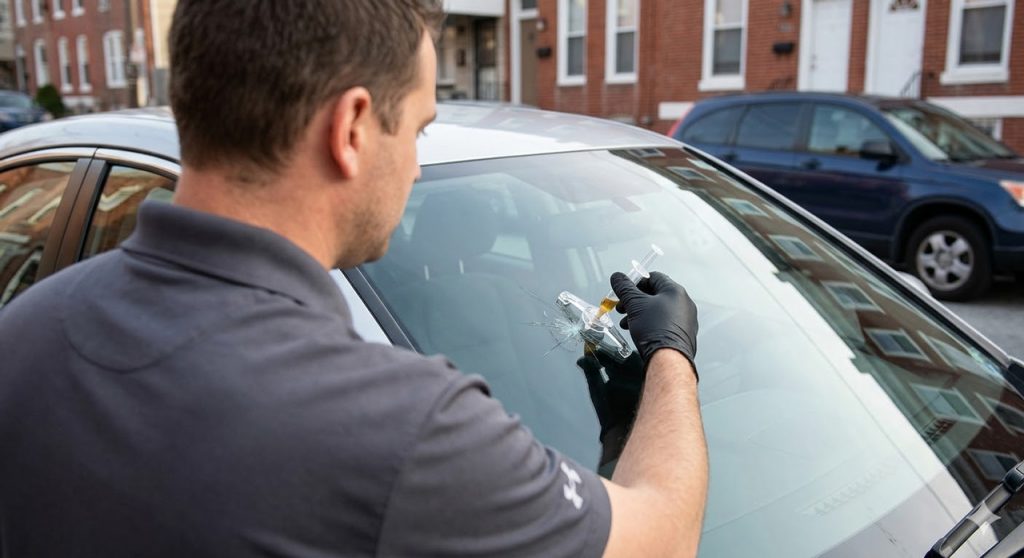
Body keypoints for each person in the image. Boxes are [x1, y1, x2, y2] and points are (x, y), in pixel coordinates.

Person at [0, 1, 707, 556]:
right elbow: (663, 539)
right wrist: (670, 360)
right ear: (353, 128)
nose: (415, 167)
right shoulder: (407, 429)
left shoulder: (23, 332)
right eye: (419, 131)